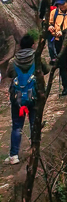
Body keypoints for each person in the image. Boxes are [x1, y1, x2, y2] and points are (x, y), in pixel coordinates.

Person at [5, 33, 36, 164]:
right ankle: (35, 151)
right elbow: (46, 70)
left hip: (17, 98)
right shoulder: (37, 58)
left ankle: (14, 155)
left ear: (20, 46)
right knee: (34, 123)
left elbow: (9, 74)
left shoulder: (13, 62)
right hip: (34, 96)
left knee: (17, 126)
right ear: (33, 45)